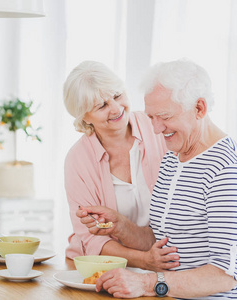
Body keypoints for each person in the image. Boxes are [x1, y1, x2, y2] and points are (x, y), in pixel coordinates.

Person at [77, 59, 237, 298]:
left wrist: (145, 283)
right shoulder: (173, 157)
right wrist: (121, 226)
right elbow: (163, 239)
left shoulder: (227, 172)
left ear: (199, 108)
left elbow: (224, 275)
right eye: (151, 118)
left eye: (165, 116)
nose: (156, 129)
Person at [63, 61, 178, 271]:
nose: (116, 109)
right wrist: (144, 261)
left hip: (165, 259)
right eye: (101, 106)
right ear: (84, 117)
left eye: (117, 96)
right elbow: (92, 240)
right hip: (104, 267)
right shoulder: (77, 160)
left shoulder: (157, 128)